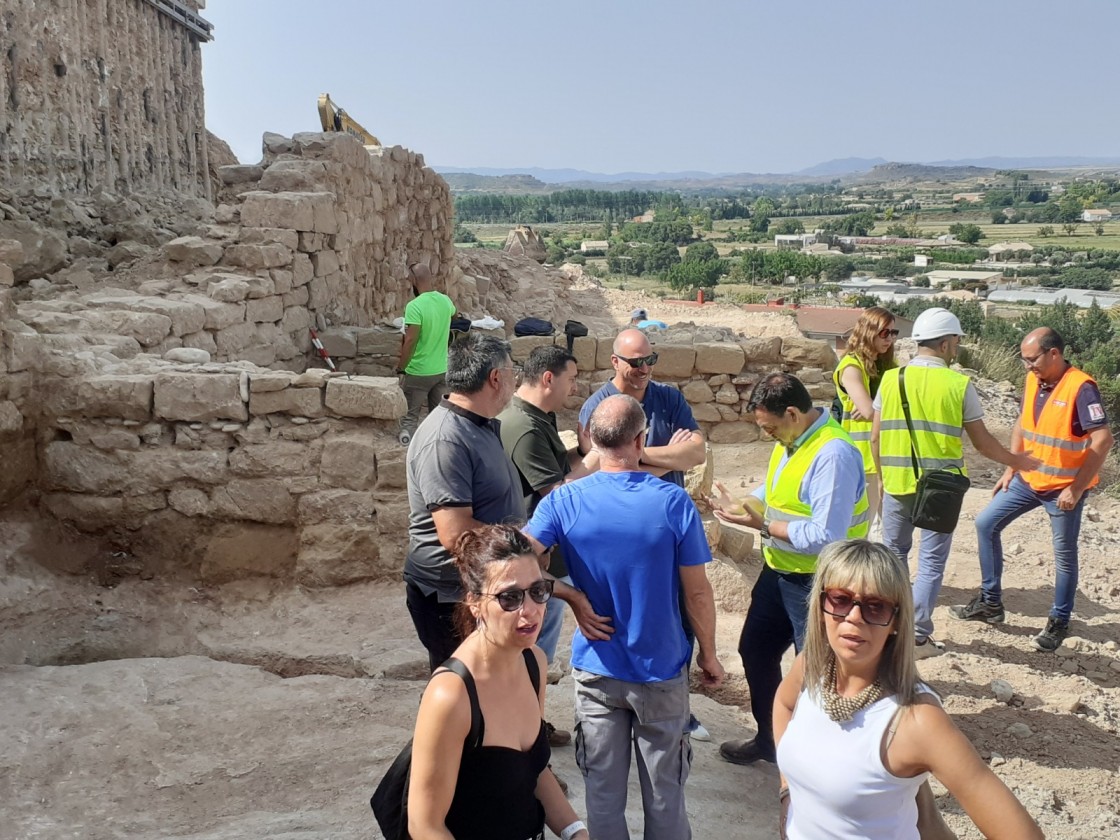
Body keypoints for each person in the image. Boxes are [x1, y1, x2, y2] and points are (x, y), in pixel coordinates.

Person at [525, 394, 725, 840]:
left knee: (602, 794)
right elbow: (696, 591)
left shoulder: (563, 503)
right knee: (665, 795)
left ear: (591, 440)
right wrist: (709, 655)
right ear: (641, 440)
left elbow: (513, 564)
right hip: (660, 670)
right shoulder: (673, 503)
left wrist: (570, 595)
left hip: (597, 668)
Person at [773, 539, 1044, 840]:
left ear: (897, 622)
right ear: (820, 604)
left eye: (875, 607)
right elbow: (783, 706)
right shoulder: (813, 665)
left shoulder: (916, 720)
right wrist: (787, 792)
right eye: (840, 599)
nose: (853, 617)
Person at [709, 372, 869, 766]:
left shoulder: (833, 454)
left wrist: (760, 525)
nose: (768, 435)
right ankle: (771, 740)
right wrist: (748, 502)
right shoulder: (793, 440)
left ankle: (818, 764)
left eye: (770, 427)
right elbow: (777, 490)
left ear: (793, 413)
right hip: (779, 572)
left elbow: (825, 534)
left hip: (819, 582)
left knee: (817, 676)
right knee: (755, 651)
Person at [872, 307, 1040, 658]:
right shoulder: (959, 384)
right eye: (957, 342)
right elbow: (982, 442)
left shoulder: (891, 380)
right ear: (946, 343)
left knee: (894, 555)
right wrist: (1017, 461)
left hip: (897, 483)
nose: (957, 347)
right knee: (931, 563)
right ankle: (917, 637)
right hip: (941, 490)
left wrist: (884, 479)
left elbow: (875, 437)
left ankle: (889, 630)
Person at [407, 524, 589, 840]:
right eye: (510, 597)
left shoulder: (534, 663)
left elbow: (532, 768)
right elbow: (425, 826)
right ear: (474, 602)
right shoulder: (451, 695)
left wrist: (576, 831)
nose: (530, 611)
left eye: (538, 591)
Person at [577, 327, 710, 739]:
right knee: (624, 617)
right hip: (620, 530)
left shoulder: (668, 398)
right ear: (615, 362)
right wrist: (667, 457)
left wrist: (630, 454)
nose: (643, 370)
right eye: (635, 363)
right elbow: (595, 463)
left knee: (680, 613)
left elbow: (697, 452)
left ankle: (677, 708)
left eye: (649, 361)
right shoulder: (597, 405)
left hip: (669, 525)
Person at [950, 327, 1114, 652]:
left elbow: (1103, 439)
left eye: (1032, 359)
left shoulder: (1081, 387)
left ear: (1054, 353)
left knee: (1064, 556)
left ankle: (1059, 620)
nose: (1027, 366)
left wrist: (1077, 489)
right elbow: (1022, 423)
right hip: (1029, 479)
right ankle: (990, 603)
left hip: (1064, 490)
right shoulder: (1033, 380)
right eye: (1024, 360)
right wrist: (1011, 466)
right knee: (986, 524)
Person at [404, 332, 524, 672]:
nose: (516, 381)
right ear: (496, 378)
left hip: (479, 583)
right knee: (465, 688)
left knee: (494, 680)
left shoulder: (476, 425)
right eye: (513, 372)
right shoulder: (446, 438)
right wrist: (524, 543)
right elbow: (456, 533)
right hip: (451, 594)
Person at [498, 345, 599, 748]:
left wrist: (585, 453)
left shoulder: (538, 418)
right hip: (533, 559)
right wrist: (601, 461)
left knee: (537, 650)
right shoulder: (523, 426)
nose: (573, 389)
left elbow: (560, 471)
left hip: (544, 557)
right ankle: (523, 735)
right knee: (529, 652)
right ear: (547, 379)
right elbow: (556, 493)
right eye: (571, 380)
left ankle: (531, 726)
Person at [833, 306, 898, 533]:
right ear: (868, 331)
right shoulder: (852, 366)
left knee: (889, 527)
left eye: (893, 332)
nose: (890, 338)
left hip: (885, 453)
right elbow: (868, 411)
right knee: (861, 525)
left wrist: (875, 408)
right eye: (884, 332)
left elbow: (874, 410)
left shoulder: (887, 366)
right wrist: (875, 408)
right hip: (861, 457)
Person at [397, 262, 457, 446]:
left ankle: (406, 447)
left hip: (419, 372)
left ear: (414, 280)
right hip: (441, 370)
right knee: (438, 416)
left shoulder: (414, 306)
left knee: (409, 418)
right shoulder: (445, 301)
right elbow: (454, 317)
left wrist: (401, 368)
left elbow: (410, 340)